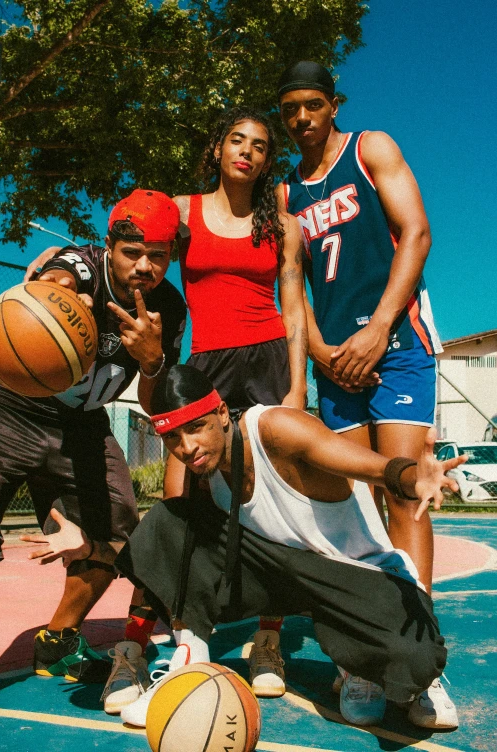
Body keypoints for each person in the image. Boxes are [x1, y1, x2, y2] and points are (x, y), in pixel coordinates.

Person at [43, 364, 462, 729]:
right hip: (281, 575)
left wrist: (411, 477)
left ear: (222, 414)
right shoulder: (208, 474)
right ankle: (190, 663)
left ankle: (363, 664)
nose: (186, 448)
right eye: (174, 439)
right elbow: (175, 556)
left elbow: (362, 462)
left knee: (417, 661)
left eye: (196, 428)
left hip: (356, 573)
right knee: (171, 520)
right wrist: (93, 547)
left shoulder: (274, 429)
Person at [0, 189, 186, 730]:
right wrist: (59, 297)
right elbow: (58, 277)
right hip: (6, 402)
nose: (145, 265)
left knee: (123, 530)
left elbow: (151, 405)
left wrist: (150, 360)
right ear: (109, 247)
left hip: (81, 422)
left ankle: (58, 639)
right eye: (133, 251)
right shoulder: (80, 266)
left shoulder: (167, 309)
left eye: (159, 253)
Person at [275, 61, 456, 727]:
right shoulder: (285, 193)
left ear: (332, 104)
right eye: (290, 108)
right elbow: (291, 280)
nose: (301, 119)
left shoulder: (369, 147)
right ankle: (359, 657)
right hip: (333, 363)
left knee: (405, 491)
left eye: (312, 105)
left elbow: (417, 234)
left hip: (396, 345)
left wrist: (378, 328)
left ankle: (420, 657)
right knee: (351, 510)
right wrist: (321, 353)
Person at [168, 106, 307, 698]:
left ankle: (269, 636)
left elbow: (295, 308)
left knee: (274, 497)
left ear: (266, 159)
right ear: (219, 149)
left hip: (270, 356)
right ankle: (187, 632)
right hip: (208, 364)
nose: (246, 151)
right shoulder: (181, 211)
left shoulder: (284, 225)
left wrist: (297, 388)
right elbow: (128, 256)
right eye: (236, 140)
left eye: (258, 145)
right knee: (190, 495)